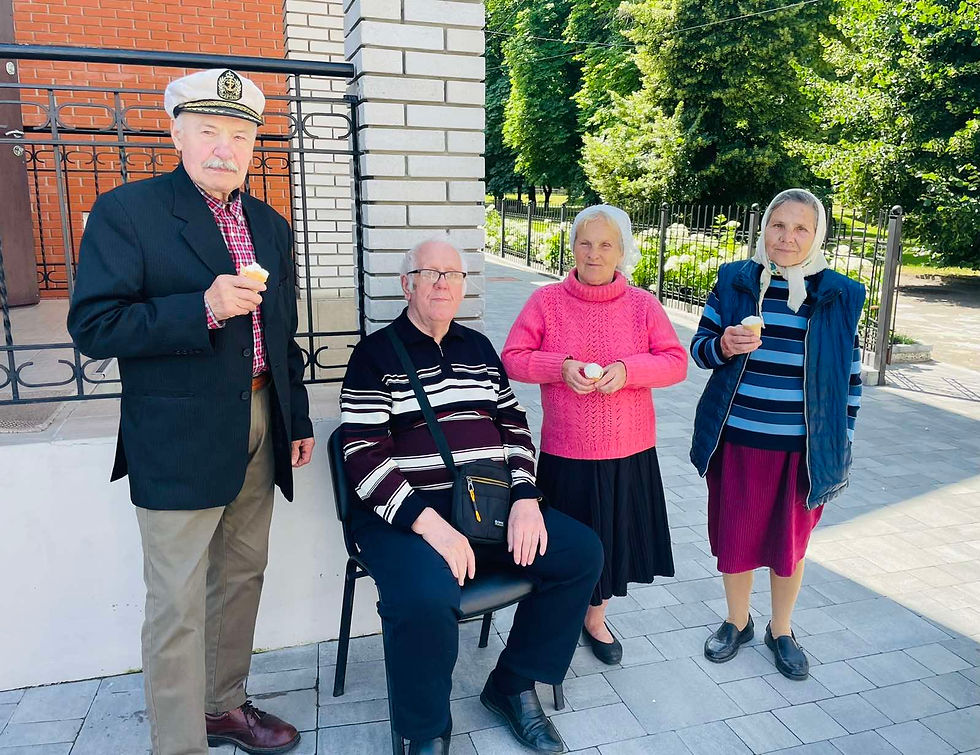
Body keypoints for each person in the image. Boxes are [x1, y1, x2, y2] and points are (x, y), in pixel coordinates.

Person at [68, 69, 315, 755]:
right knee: (176, 603)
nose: (223, 147)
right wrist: (200, 308)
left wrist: (297, 418)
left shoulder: (270, 223)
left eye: (239, 134)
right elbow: (94, 325)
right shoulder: (129, 213)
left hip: (263, 419)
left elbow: (282, 332)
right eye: (208, 130)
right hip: (176, 435)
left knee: (241, 575)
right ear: (177, 132)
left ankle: (223, 706)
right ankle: (178, 745)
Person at [339, 237, 603, 754]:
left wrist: (526, 497)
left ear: (462, 287)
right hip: (404, 518)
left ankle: (511, 685)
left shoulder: (478, 349)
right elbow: (361, 454)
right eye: (430, 273)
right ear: (406, 284)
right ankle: (425, 729)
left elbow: (514, 426)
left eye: (452, 274)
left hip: (486, 508)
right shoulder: (373, 356)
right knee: (423, 597)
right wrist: (428, 524)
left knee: (580, 554)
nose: (442, 282)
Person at [689, 188, 865, 680]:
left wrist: (839, 440)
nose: (787, 238)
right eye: (778, 225)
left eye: (800, 228)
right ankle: (737, 622)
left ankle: (781, 630)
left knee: (788, 548)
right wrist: (722, 343)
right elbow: (700, 350)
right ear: (764, 228)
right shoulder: (736, 281)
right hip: (739, 441)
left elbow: (849, 378)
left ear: (817, 235)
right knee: (736, 537)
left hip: (801, 452)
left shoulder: (839, 294)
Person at [502, 205, 688, 665]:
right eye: (585, 242)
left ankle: (595, 618)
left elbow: (676, 362)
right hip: (566, 453)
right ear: (573, 247)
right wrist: (559, 366)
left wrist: (628, 370)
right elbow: (513, 356)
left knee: (613, 542)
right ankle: (560, 617)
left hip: (629, 451)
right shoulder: (546, 301)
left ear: (622, 252)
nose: (594, 253)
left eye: (606, 244)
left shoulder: (644, 305)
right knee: (567, 546)